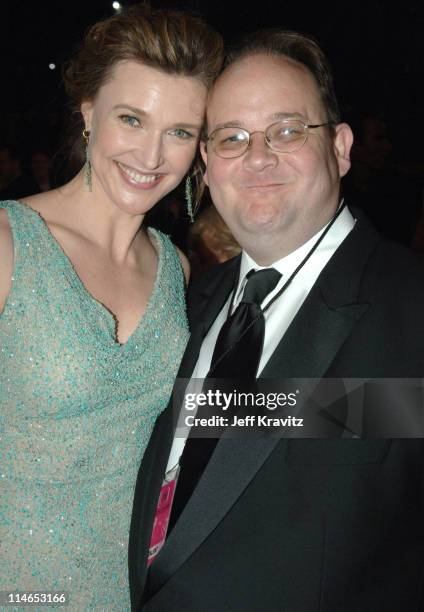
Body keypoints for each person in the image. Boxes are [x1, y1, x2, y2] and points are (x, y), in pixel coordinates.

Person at [130, 29, 424, 611]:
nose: (258, 156)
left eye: (288, 130)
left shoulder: (410, 308)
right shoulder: (183, 304)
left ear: (340, 147)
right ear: (207, 165)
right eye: (233, 137)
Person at [0, 5, 223, 610]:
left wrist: (378, 409)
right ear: (87, 111)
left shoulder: (175, 268)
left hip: (129, 589)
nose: (152, 156)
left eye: (180, 131)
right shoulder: (8, 244)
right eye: (132, 118)